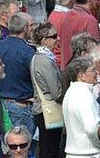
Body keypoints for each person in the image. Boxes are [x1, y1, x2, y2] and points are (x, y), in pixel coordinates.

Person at [0, 12, 36, 136]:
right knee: (23, 146)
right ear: (25, 28)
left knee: (5, 145)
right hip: (21, 105)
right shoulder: (28, 52)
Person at [30, 23, 64, 158]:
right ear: (44, 40)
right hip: (48, 111)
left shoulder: (42, 58)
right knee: (50, 150)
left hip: (44, 111)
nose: (59, 39)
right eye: (54, 36)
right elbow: (56, 92)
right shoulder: (44, 61)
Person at [63, 57, 100, 158]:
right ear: (81, 75)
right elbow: (92, 128)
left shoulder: (71, 91)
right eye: (93, 70)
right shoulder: (84, 95)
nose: (97, 73)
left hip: (75, 153)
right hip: (88, 153)